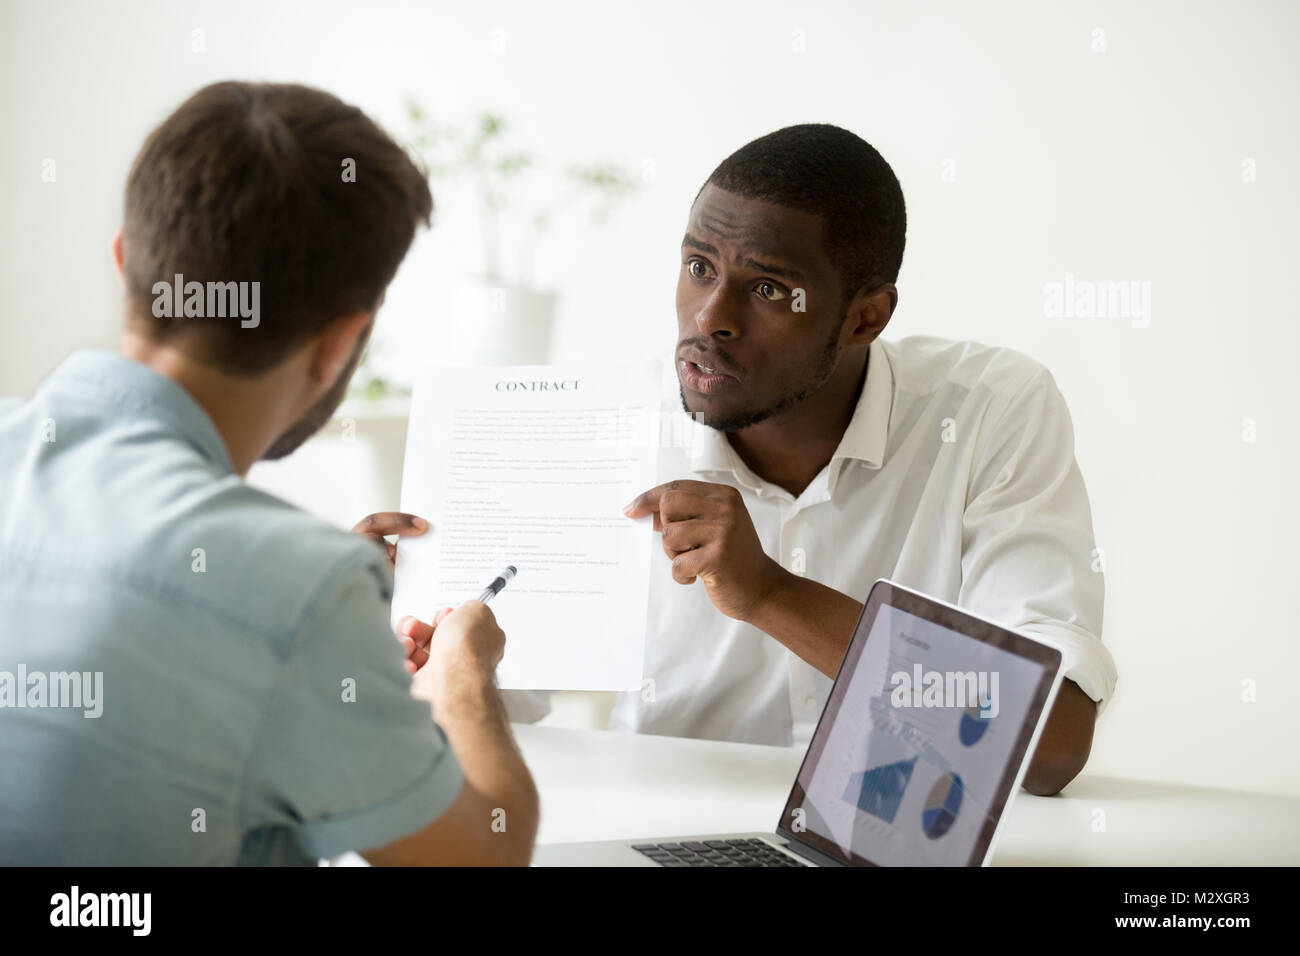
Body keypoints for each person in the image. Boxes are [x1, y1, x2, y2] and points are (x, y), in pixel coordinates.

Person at [481, 125, 1116, 796]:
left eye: (768, 291)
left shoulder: (990, 411)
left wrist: (771, 594)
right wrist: (389, 634)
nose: (710, 318)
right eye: (699, 267)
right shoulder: (604, 427)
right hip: (656, 837)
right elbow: (491, 709)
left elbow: (1052, 744)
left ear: (864, 319)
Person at [0, 81, 537, 864]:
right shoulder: (296, 585)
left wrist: (322, 637)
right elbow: (483, 856)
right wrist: (461, 669)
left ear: (125, 264)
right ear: (340, 343)